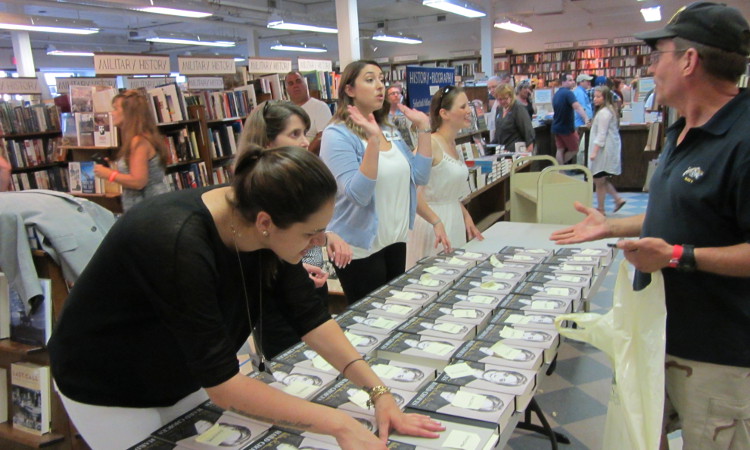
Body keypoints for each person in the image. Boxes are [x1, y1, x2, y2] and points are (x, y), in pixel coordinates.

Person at [48, 146, 444, 449]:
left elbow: (311, 318)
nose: (318, 244)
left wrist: (379, 393)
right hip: (108, 385)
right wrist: (341, 424)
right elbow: (224, 385)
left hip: (182, 372)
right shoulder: (175, 241)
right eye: (311, 234)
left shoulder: (266, 223)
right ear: (266, 224)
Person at [551, 3, 750, 448]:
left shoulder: (743, 139)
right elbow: (687, 212)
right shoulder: (686, 129)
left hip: (715, 354)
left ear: (689, 60)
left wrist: (678, 257)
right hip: (656, 334)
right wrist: (612, 227)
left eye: (659, 54)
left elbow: (687, 242)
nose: (652, 68)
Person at [238, 100, 352, 357]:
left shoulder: (297, 182)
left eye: (304, 133)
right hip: (275, 303)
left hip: (301, 277)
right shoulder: (255, 193)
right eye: (294, 134)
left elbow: (304, 238)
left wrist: (310, 258)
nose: (304, 142)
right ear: (266, 143)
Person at [320, 60, 433, 304]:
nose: (380, 86)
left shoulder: (387, 128)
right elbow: (357, 194)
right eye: (370, 80)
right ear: (349, 90)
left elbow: (419, 177)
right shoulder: (336, 134)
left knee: (393, 312)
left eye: (381, 79)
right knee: (370, 319)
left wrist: (424, 129)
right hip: (360, 246)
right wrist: (372, 142)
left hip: (394, 238)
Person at [406, 86, 483, 268]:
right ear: (444, 113)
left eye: (468, 106)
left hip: (453, 219)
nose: (469, 111)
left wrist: (465, 216)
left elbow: (447, 190)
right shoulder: (430, 144)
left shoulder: (452, 143)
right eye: (462, 107)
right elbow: (411, 192)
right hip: (432, 224)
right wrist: (436, 221)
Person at [93, 89, 169, 212]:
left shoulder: (139, 141)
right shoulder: (142, 138)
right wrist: (112, 170)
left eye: (116, 109)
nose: (112, 113)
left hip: (148, 208)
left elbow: (138, 181)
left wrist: (109, 174)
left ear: (129, 113)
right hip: (146, 206)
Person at [588, 86, 626, 215]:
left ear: (605, 98)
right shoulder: (606, 111)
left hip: (603, 150)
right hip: (605, 148)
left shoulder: (604, 113)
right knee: (601, 179)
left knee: (599, 179)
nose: (595, 99)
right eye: (595, 96)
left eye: (598, 97)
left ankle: (602, 208)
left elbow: (601, 134)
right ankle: (614, 200)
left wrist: (594, 151)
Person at [284, 71, 333, 156]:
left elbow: (323, 135)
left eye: (298, 81)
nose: (295, 86)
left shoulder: (320, 107)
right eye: (291, 84)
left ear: (305, 84)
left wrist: (305, 157)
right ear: (287, 89)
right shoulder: (284, 110)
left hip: (311, 159)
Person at [551, 73, 590, 165]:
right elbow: (577, 107)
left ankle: (558, 171)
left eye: (573, 80)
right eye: (570, 80)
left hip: (556, 125)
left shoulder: (557, 93)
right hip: (566, 127)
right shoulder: (568, 93)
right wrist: (586, 119)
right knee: (575, 149)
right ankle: (558, 167)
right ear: (563, 82)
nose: (573, 82)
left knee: (560, 149)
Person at [491, 84, 535, 154]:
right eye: (499, 99)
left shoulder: (518, 108)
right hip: (503, 151)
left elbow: (528, 131)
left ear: (511, 96)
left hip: (517, 151)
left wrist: (528, 152)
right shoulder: (499, 109)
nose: (502, 101)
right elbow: (498, 132)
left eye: (505, 98)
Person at [386, 84, 416, 150]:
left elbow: (413, 129)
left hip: (410, 147)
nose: (396, 95)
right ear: (387, 97)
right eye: (393, 93)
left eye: (398, 93)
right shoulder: (384, 116)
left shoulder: (407, 112)